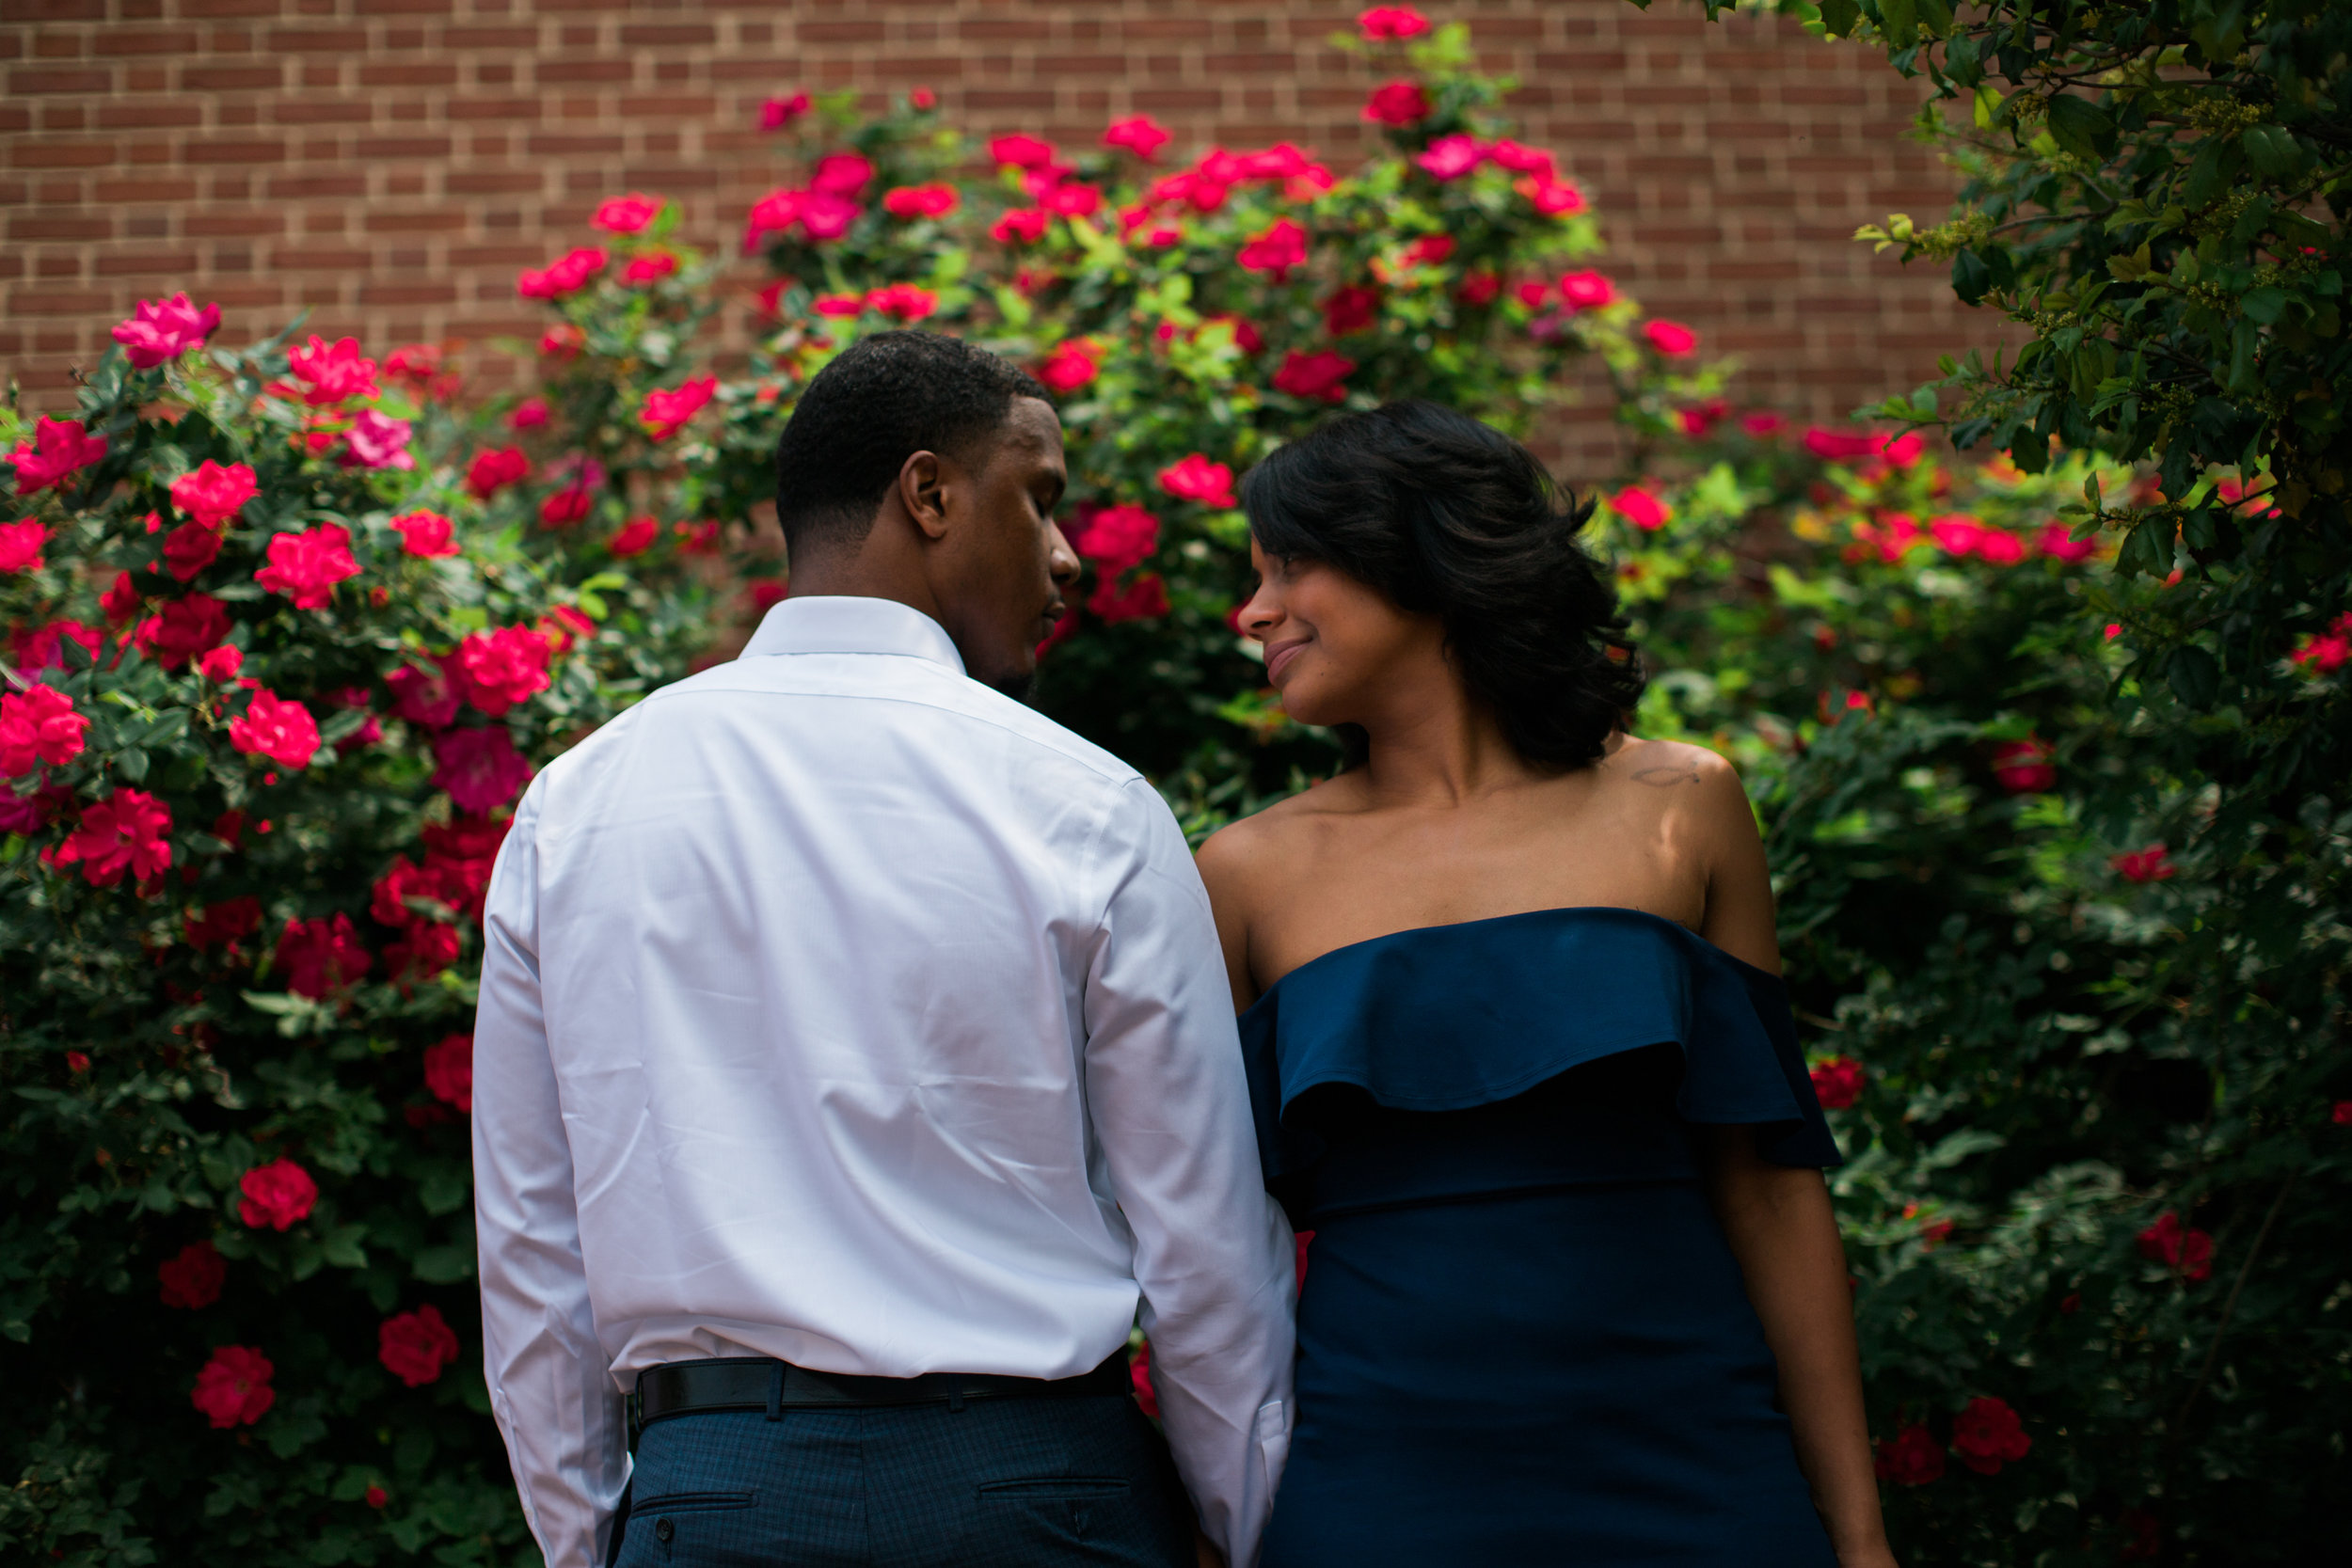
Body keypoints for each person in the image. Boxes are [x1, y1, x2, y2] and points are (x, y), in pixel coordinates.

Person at [473, 330, 1296, 1568]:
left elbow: (533, 1244)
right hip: (1038, 1489)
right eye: (1042, 499)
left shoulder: (579, 806)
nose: (1066, 557)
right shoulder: (1086, 803)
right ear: (929, 493)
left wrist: (599, 1541)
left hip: (717, 1494)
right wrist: (1246, 1528)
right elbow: (1204, 1243)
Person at [1194, 401, 1898, 1568]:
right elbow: (1216, 1246)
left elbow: (1770, 1189)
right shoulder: (1244, 873)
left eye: (1288, 566)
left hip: (1696, 1460)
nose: (1252, 611)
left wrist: (1861, 1536)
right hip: (1382, 1486)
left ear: (1414, 555)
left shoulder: (1685, 803)